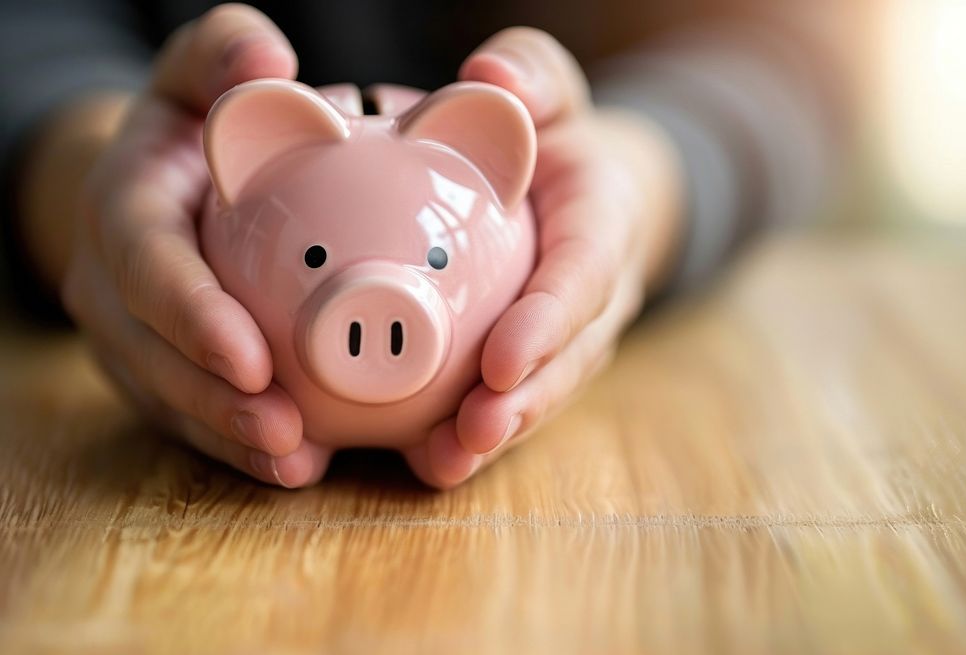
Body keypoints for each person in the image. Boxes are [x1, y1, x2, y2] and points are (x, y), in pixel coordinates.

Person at [0, 2, 857, 488]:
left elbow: (795, 50)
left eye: (433, 258)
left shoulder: (485, 167)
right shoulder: (239, 171)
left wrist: (647, 179)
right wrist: (76, 170)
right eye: (315, 263)